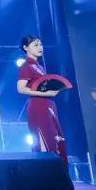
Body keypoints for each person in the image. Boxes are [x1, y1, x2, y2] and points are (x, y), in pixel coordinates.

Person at [17, 36, 68, 164]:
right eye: (35, 45)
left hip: (48, 105)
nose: (40, 47)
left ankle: (57, 170)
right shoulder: (27, 66)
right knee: (44, 140)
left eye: (40, 44)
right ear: (25, 47)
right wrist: (43, 93)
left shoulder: (39, 67)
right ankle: (46, 170)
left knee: (55, 139)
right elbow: (21, 89)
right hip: (38, 106)